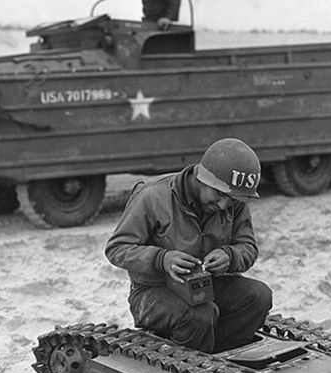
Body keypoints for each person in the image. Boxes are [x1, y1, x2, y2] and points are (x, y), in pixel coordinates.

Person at [105, 138, 273, 354]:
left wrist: (229, 255)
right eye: (220, 194)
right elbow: (117, 248)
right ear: (202, 179)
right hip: (153, 291)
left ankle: (222, 358)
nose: (224, 205)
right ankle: (191, 371)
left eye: (231, 199)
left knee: (259, 297)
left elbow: (248, 246)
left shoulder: (234, 201)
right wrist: (161, 259)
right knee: (200, 315)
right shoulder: (153, 197)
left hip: (206, 285)